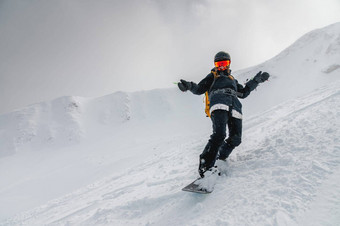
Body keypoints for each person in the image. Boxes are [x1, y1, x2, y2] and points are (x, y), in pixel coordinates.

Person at [178, 51, 270, 177]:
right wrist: (188, 86)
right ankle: (206, 166)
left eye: (224, 63)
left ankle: (220, 158)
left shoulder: (232, 79)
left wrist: (256, 81)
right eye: (219, 63)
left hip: (235, 107)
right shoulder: (212, 76)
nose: (221, 66)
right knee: (219, 134)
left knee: (236, 139)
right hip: (219, 103)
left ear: (228, 64)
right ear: (215, 64)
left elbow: (243, 93)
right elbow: (199, 89)